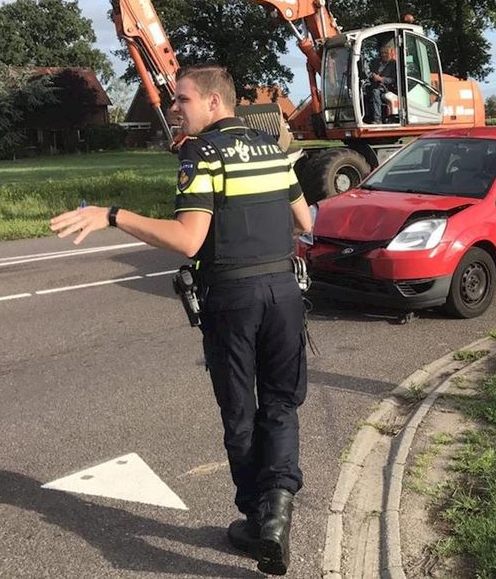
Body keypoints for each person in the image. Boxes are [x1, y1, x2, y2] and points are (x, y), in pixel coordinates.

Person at [49, 65, 311, 576]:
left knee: (240, 412)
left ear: (214, 103)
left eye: (182, 99)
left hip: (233, 299)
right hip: (283, 295)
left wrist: (114, 215)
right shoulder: (271, 149)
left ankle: (258, 521)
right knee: (280, 404)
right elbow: (306, 219)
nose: (173, 108)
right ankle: (278, 510)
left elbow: (188, 240)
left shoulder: (202, 152)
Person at [365, 40, 397, 124]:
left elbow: (394, 79)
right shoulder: (376, 62)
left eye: (386, 53)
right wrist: (373, 75)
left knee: (375, 92)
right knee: (363, 93)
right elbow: (370, 72)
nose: (383, 55)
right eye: (382, 53)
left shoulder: (394, 64)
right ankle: (366, 117)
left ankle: (377, 119)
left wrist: (381, 79)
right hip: (373, 85)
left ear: (391, 53)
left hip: (387, 88)